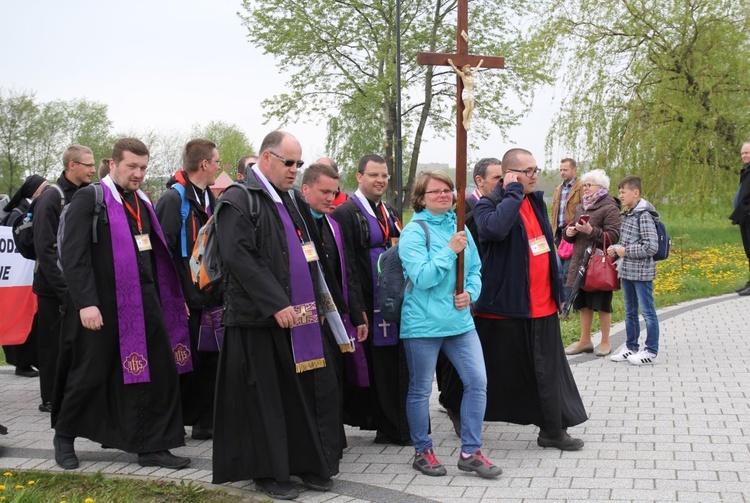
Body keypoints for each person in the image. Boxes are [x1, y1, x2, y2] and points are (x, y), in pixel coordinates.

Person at [212, 131, 343, 500]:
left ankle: (301, 463)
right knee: (264, 401)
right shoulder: (239, 199)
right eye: (289, 162)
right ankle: (268, 472)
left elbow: (307, 251)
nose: (295, 169)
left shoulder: (288, 199)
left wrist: (319, 303)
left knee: (294, 396)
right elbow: (239, 256)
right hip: (256, 321)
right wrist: (275, 302)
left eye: (299, 163)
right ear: (265, 158)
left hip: (295, 317)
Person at [52, 138, 192, 470]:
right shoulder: (90, 199)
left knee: (155, 373)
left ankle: (151, 445)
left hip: (145, 304)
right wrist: (86, 303)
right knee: (90, 373)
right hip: (101, 306)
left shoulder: (141, 201)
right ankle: (64, 435)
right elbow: (74, 257)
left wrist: (175, 299)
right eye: (131, 166)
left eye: (143, 167)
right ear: (112, 164)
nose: (138, 174)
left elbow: (158, 255)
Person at [473, 148, 588, 451]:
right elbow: (495, 231)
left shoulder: (535, 201)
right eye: (528, 171)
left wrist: (559, 290)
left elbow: (546, 249)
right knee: (498, 371)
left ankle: (552, 429)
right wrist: (512, 194)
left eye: (537, 169)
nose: (535, 175)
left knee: (548, 372)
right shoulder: (490, 204)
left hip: (542, 305)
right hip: (508, 308)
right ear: (511, 174)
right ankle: (461, 412)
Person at [399, 171, 501, 478]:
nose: (443, 195)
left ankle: (471, 451)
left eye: (447, 191)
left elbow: (476, 270)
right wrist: (449, 251)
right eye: (435, 192)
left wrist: (470, 294)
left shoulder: (460, 228)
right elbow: (424, 277)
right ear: (421, 198)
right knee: (420, 390)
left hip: (459, 321)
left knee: (477, 382)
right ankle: (422, 451)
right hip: (423, 324)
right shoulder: (414, 232)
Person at [331, 154, 410, 446]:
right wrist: (357, 309)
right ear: (359, 177)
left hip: (392, 299)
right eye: (375, 175)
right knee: (376, 367)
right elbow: (347, 265)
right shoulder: (346, 213)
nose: (381, 180)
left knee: (393, 365)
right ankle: (386, 425)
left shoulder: (388, 210)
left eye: (385, 176)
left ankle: (396, 423)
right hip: (368, 302)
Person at [155, 139, 222, 440]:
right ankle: (178, 420)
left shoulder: (210, 200)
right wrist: (176, 296)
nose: (220, 167)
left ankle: (205, 421)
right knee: (185, 361)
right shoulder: (174, 200)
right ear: (204, 164)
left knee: (210, 360)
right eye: (217, 161)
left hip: (210, 295)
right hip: (186, 298)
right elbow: (164, 252)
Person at [33, 146, 95, 413]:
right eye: (88, 165)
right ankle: (49, 398)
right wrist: (64, 289)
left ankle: (70, 392)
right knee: (52, 346)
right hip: (52, 288)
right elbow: (44, 249)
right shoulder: (51, 198)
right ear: (72, 165)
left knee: (72, 345)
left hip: (74, 287)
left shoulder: (84, 195)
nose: (93, 169)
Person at [562, 169, 621, 356]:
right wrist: (569, 233)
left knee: (602, 302)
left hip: (598, 262)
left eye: (589, 185)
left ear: (601, 187)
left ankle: (605, 341)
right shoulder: (581, 207)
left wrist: (591, 231)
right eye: (584, 185)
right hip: (580, 261)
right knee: (583, 302)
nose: (585, 188)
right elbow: (571, 229)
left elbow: (613, 235)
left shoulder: (610, 206)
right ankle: (585, 341)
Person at [607, 176, 662, 365]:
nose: (620, 196)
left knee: (647, 312)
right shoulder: (629, 214)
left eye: (623, 192)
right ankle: (631, 347)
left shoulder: (644, 215)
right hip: (628, 271)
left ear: (635, 193)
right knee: (630, 312)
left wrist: (625, 251)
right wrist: (616, 248)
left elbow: (651, 247)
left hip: (642, 273)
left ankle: (651, 351)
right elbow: (630, 242)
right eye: (619, 192)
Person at [1, 175, 48, 378]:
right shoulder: (18, 213)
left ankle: (29, 359)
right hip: (19, 279)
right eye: (44, 188)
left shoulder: (32, 208)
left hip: (30, 277)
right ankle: (21, 362)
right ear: (34, 190)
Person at [551, 158, 584, 304]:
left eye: (565, 169)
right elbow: (554, 213)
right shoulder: (559, 189)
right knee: (558, 270)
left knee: (569, 271)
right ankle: (563, 302)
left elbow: (584, 210)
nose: (562, 172)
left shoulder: (581, 187)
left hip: (573, 234)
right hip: (560, 235)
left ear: (574, 170)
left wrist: (577, 228)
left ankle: (569, 304)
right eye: (560, 169)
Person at [731, 142, 750, 296]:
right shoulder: (746, 171)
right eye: (742, 153)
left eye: (747, 153)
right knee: (748, 250)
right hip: (745, 218)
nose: (744, 155)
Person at [448, 58, 483, 130]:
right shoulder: (463, 76)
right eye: (467, 69)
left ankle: (468, 121)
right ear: (464, 71)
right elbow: (456, 70)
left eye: (469, 69)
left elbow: (476, 69)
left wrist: (480, 63)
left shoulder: (471, 74)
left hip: (471, 93)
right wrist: (451, 64)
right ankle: (464, 121)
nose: (468, 70)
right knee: (467, 107)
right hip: (466, 92)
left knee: (472, 108)